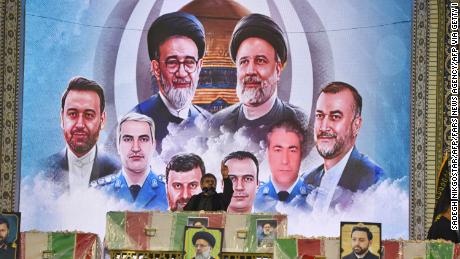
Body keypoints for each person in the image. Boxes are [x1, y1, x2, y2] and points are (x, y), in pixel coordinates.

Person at [210, 13, 307, 143]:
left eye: (260, 61)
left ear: (278, 69)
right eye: (244, 62)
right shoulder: (217, 124)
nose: (250, 71)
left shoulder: (301, 124)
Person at [132, 12, 210, 151]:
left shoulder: (209, 124)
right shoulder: (134, 123)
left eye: (189, 62)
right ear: (156, 68)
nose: (181, 73)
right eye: (172, 62)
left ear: (199, 67)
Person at [304, 82, 383, 211]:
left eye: (335, 117)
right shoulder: (307, 180)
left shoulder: (375, 182)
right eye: (319, 116)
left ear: (356, 125)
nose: (324, 127)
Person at [43, 76, 120, 192]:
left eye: (89, 115)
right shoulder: (41, 171)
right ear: (62, 118)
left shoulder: (119, 172)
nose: (80, 124)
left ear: (102, 120)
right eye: (73, 114)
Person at [99, 112, 167, 210]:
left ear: (153, 145)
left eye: (143, 139)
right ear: (118, 145)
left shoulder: (170, 192)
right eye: (128, 139)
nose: (136, 148)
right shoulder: (99, 193)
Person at [254, 119, 310, 212]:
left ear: (301, 155)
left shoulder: (317, 200)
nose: (285, 161)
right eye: (278, 150)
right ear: (267, 154)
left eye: (292, 151)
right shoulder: (250, 199)